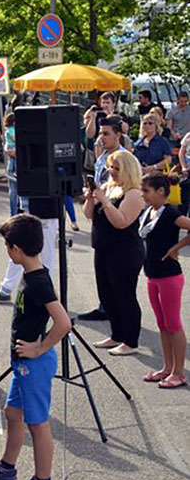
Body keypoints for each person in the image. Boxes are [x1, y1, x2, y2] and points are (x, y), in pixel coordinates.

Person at [0, 214, 70, 480]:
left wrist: (40, 348)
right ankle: (6, 470)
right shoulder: (35, 273)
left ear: (15, 249)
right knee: (13, 413)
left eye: (6, 246)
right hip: (23, 363)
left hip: (34, 364)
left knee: (38, 424)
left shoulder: (38, 281)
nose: (7, 251)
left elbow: (63, 323)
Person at [82, 150, 145, 355]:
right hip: (103, 248)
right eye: (110, 167)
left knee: (124, 295)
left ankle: (131, 341)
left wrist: (106, 201)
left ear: (128, 170)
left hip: (124, 251)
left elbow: (121, 222)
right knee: (106, 295)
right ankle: (116, 335)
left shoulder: (134, 193)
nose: (112, 171)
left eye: (117, 168)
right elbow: (89, 214)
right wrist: (91, 198)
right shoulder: (109, 187)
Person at [138, 172, 190, 388]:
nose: (143, 196)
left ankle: (179, 372)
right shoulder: (150, 212)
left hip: (169, 275)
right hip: (152, 275)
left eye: (146, 191)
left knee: (173, 324)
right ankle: (167, 367)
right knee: (162, 324)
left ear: (160, 191)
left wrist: (176, 247)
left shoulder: (170, 213)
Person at [78, 115, 128, 321]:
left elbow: (128, 187)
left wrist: (103, 198)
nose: (101, 138)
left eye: (106, 134)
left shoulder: (124, 158)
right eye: (100, 133)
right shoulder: (101, 158)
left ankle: (119, 315)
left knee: (117, 274)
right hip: (100, 214)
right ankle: (105, 306)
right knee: (103, 271)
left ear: (118, 135)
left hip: (115, 214)